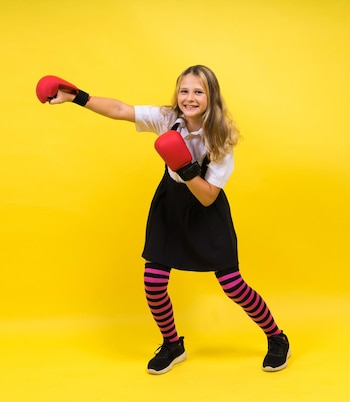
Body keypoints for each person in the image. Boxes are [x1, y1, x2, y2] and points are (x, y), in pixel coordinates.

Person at [38, 65, 290, 374]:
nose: (189, 97)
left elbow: (208, 195)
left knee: (232, 285)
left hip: (205, 211)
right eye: (184, 90)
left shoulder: (221, 138)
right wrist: (77, 97)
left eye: (198, 91)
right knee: (154, 283)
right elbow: (120, 109)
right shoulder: (169, 119)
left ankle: (277, 338)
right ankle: (172, 344)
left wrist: (184, 166)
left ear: (212, 97)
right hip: (169, 206)